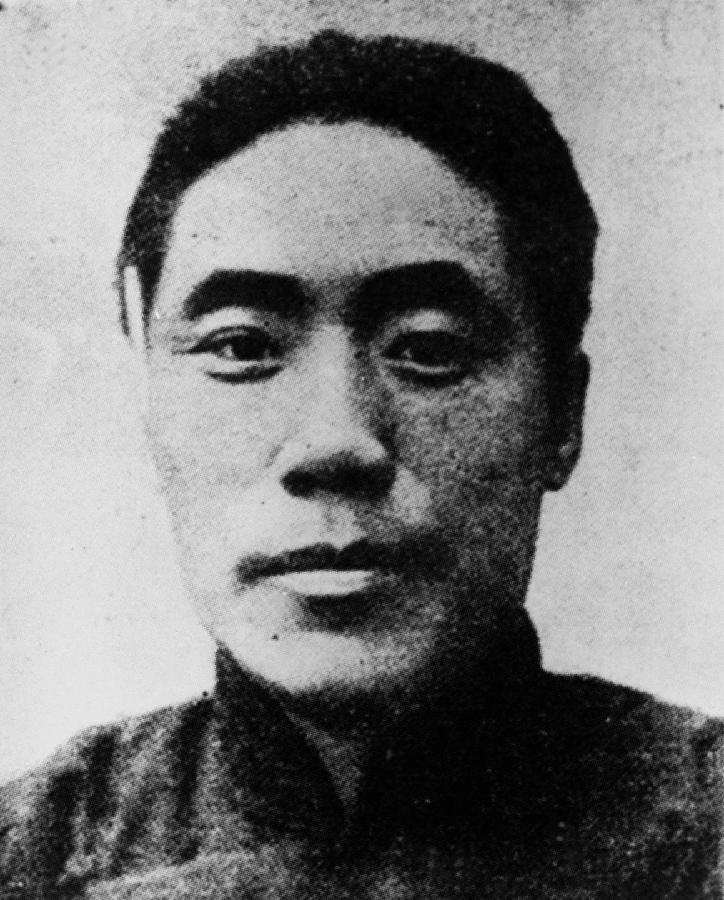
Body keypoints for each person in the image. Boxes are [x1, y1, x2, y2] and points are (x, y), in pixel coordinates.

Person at [1, 29, 721, 900]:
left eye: (429, 348)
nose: (335, 443)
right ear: (150, 400)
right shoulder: (34, 857)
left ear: (563, 415)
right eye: (240, 347)